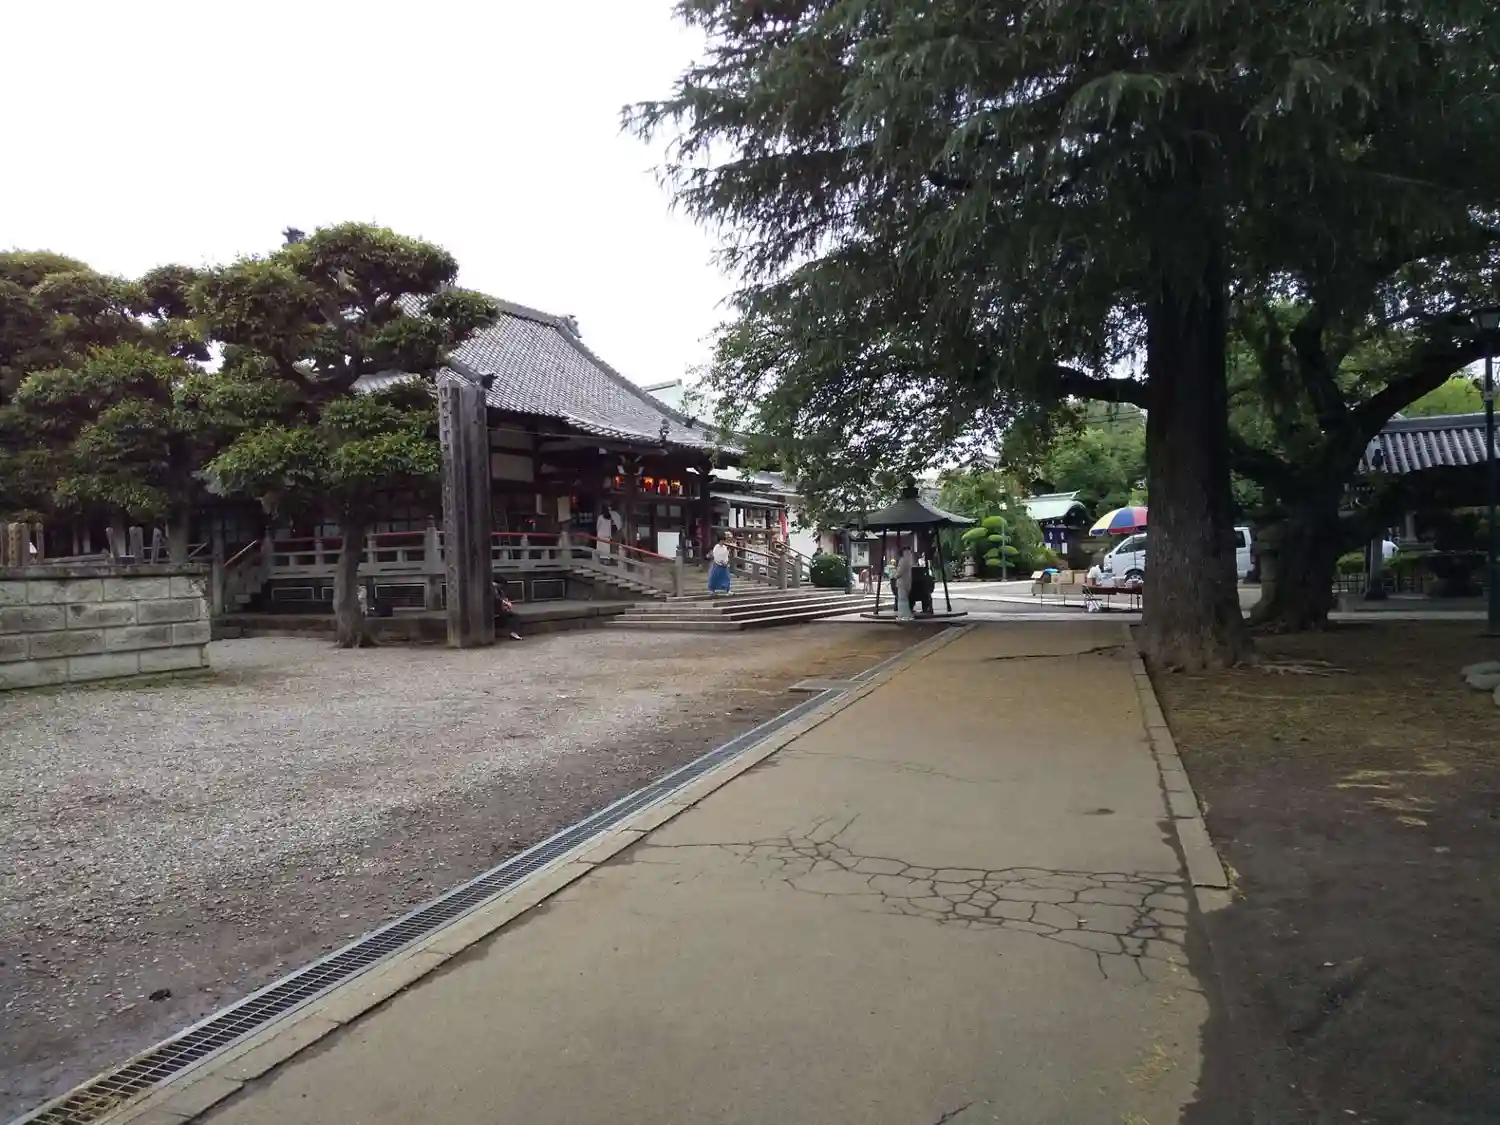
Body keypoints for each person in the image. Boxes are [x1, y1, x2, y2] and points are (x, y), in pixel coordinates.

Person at [895, 545, 915, 621]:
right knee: (905, 600)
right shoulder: (909, 560)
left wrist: (894, 575)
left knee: (902, 600)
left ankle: (904, 615)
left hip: (902, 583)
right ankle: (907, 615)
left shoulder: (902, 560)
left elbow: (899, 572)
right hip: (908, 582)